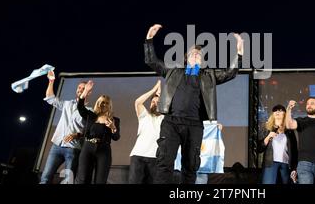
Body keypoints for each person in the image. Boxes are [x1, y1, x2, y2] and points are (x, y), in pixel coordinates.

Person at [144, 24, 243, 184]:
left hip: (194, 125)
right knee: (164, 163)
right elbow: (152, 61)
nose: (196, 55)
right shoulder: (173, 71)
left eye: (199, 54)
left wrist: (239, 53)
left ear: (202, 60)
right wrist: (149, 39)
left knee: (190, 166)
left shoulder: (208, 75)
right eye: (193, 53)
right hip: (171, 123)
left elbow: (229, 73)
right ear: (187, 58)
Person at [40, 71, 89, 184]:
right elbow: (50, 98)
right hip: (56, 146)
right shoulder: (67, 104)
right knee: (45, 178)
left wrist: (76, 135)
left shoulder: (89, 111)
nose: (80, 89)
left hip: (72, 149)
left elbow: (89, 132)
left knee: (68, 181)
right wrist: (51, 81)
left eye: (83, 88)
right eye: (79, 87)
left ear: (88, 91)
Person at [75, 80, 121, 184]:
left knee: (100, 181)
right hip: (88, 148)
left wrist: (113, 127)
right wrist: (85, 91)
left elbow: (116, 137)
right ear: (98, 103)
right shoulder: (91, 116)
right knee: (82, 179)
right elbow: (80, 107)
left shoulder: (114, 120)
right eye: (101, 102)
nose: (103, 104)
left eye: (106, 102)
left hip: (104, 150)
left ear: (109, 105)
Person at [285, 97, 315, 184]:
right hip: (304, 163)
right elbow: (289, 125)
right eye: (307, 104)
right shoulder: (301, 121)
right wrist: (289, 108)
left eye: (312, 103)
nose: (309, 105)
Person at [128, 80, 164, 184]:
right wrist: (154, 90)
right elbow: (138, 102)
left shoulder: (164, 118)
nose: (155, 103)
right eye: (153, 102)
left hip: (155, 158)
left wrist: (159, 94)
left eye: (158, 102)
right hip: (138, 156)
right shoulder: (144, 115)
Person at [258, 104, 298, 184]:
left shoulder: (289, 131)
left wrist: (294, 168)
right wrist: (268, 136)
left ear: (285, 114)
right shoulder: (267, 129)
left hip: (286, 164)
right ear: (273, 114)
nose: (277, 112)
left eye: (280, 110)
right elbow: (259, 148)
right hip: (270, 163)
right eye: (275, 110)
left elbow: (294, 151)